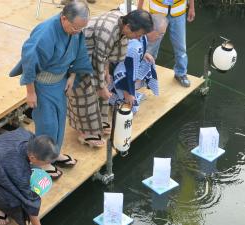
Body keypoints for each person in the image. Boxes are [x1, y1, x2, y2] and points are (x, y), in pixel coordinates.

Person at [9, 1, 93, 179]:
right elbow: (30, 61)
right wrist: (30, 92)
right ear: (64, 18)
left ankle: (54, 153)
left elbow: (79, 53)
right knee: (47, 124)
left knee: (60, 120)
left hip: (60, 81)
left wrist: (72, 76)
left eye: (81, 28)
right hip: (42, 84)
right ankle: (41, 160)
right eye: (75, 28)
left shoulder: (75, 29)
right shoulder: (46, 32)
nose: (78, 32)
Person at [67, 9, 154, 147]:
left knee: (104, 85)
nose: (138, 37)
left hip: (96, 53)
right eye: (138, 34)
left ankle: (98, 121)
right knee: (86, 92)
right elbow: (97, 61)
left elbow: (108, 55)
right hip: (79, 53)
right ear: (128, 27)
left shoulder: (123, 23)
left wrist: (106, 72)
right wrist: (100, 87)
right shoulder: (108, 33)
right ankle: (85, 132)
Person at [0, 128, 59, 225]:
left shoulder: (29, 136)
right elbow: (28, 198)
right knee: (14, 198)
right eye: (45, 163)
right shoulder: (16, 166)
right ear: (33, 157)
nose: (45, 165)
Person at [109, 14, 168, 113]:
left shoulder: (142, 36)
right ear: (152, 30)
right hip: (114, 72)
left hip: (123, 64)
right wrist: (128, 94)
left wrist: (144, 54)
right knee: (132, 109)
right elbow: (126, 73)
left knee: (148, 63)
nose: (160, 37)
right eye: (160, 34)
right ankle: (117, 96)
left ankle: (130, 91)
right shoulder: (135, 47)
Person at [137, 0, 195, 87]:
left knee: (180, 46)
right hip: (157, 12)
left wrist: (191, 7)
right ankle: (143, 74)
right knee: (151, 46)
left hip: (178, 12)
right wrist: (139, 8)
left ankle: (181, 73)